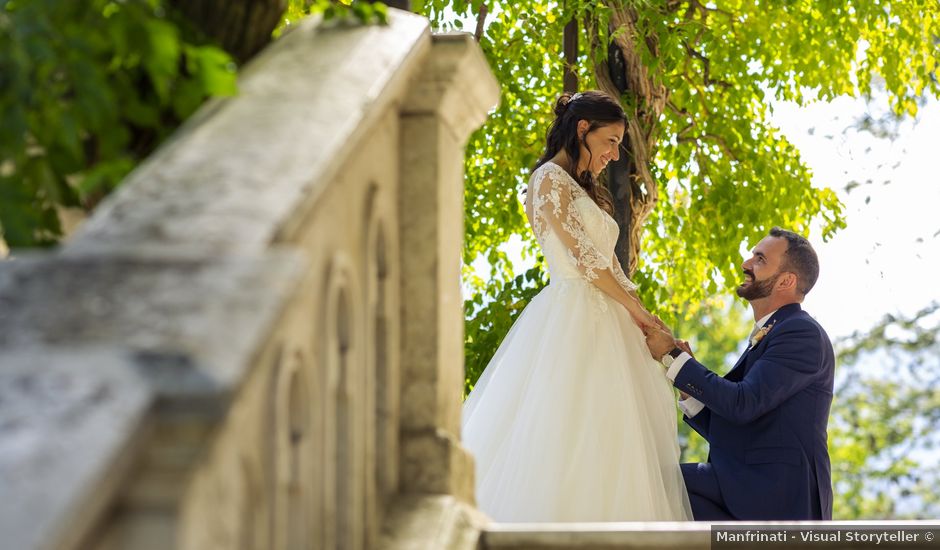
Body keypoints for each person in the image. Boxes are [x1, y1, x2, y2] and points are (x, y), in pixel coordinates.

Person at [461, 90, 692, 522]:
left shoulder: (585, 189)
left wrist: (646, 317)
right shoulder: (548, 180)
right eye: (611, 140)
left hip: (609, 318)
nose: (614, 152)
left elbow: (612, 268)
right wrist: (636, 312)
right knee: (564, 436)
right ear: (582, 129)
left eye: (619, 144)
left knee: (612, 444)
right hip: (572, 316)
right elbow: (586, 263)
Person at [645, 228, 835, 520]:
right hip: (743, 488)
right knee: (649, 486)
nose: (746, 264)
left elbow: (742, 404)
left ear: (786, 280)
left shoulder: (801, 332)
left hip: (776, 501)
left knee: (650, 485)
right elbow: (737, 429)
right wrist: (687, 386)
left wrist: (673, 357)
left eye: (760, 259)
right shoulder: (774, 331)